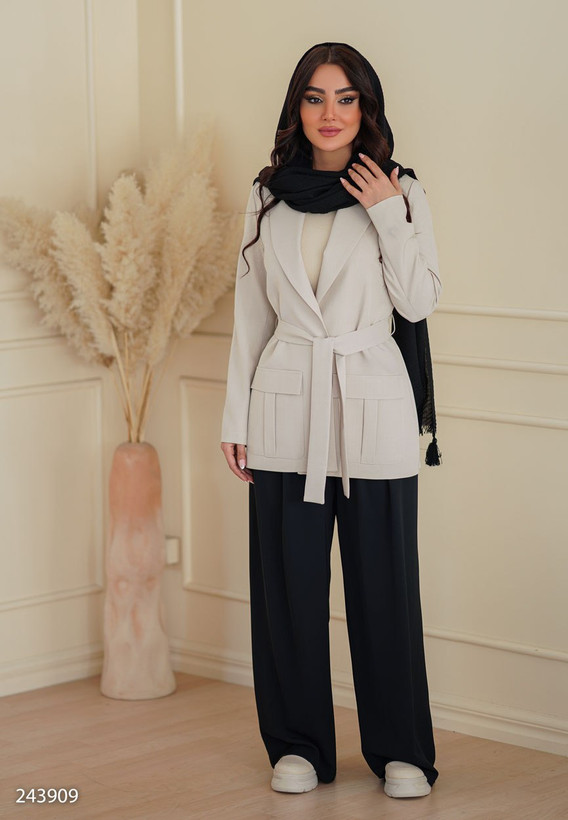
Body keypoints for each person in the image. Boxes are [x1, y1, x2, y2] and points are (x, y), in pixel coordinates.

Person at [220, 41, 442, 799]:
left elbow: (419, 301)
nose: (330, 113)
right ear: (297, 107)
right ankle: (299, 747)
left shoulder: (399, 189)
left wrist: (386, 215)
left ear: (365, 107)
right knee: (288, 592)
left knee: (385, 591)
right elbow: (250, 315)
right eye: (315, 97)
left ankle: (402, 750)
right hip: (285, 406)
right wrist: (236, 416)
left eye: (345, 98)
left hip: (373, 405)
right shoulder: (268, 195)